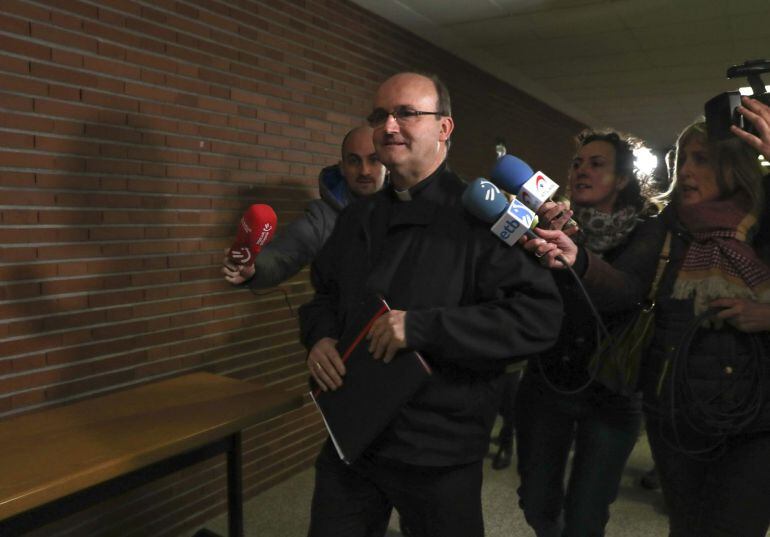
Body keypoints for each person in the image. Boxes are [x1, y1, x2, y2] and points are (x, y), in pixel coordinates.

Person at [298, 72, 563, 537]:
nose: (389, 126)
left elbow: (538, 318)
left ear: (444, 128)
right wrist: (319, 337)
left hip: (438, 448)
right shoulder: (358, 214)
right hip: (354, 436)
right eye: (380, 115)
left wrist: (421, 328)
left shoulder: (484, 216)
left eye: (406, 113)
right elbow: (325, 294)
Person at [530, 116, 770, 536]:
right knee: (686, 527)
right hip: (674, 414)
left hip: (754, 424)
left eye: (703, 159)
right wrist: (578, 258)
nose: (688, 172)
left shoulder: (763, 218)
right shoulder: (669, 225)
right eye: (683, 161)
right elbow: (626, 287)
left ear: (734, 166)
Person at [513, 129, 660, 537]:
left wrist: (578, 255)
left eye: (597, 164)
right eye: (578, 163)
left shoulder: (647, 229)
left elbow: (626, 289)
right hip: (547, 383)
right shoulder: (549, 219)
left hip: (612, 392)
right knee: (537, 502)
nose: (582, 170)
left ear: (623, 179)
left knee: (586, 516)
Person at [222, 126, 386, 288]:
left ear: (388, 163)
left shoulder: (407, 205)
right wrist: (254, 269)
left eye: (374, 159)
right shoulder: (322, 218)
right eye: (354, 161)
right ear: (342, 168)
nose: (364, 170)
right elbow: (283, 254)